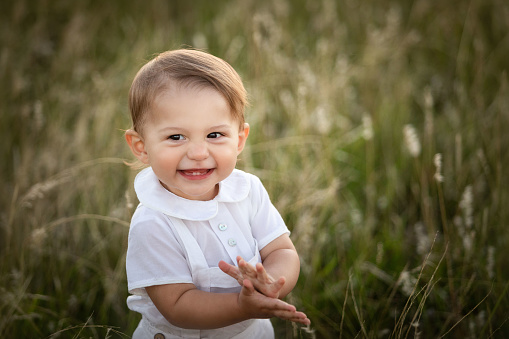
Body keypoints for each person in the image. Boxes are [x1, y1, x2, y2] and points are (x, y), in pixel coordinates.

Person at [124, 49, 310, 338]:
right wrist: (242, 305)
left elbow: (282, 250)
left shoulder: (248, 191)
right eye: (176, 137)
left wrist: (271, 282)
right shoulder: (153, 223)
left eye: (214, 135)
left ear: (239, 139)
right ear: (141, 146)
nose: (198, 153)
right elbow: (177, 305)